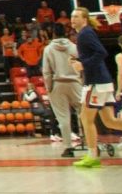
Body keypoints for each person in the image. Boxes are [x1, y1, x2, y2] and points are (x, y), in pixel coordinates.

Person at [69, 8, 122, 167]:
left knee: (86, 118)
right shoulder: (85, 33)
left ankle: (93, 156)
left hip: (96, 82)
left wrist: (83, 64)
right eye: (72, 16)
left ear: (84, 19)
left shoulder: (85, 33)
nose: (72, 19)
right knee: (110, 121)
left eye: (76, 16)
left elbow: (101, 52)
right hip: (102, 81)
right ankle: (92, 155)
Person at [42, 24, 82, 156]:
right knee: (84, 113)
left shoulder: (48, 49)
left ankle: (68, 147)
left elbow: (46, 71)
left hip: (58, 83)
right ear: (65, 33)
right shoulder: (74, 47)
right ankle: (90, 142)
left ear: (53, 33)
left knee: (63, 117)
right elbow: (82, 65)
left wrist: (49, 87)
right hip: (75, 83)